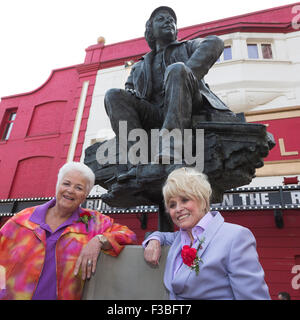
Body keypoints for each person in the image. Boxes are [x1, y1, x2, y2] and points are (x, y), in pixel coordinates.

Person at [104, 6, 237, 181]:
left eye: (171, 20)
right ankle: (138, 163)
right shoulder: (138, 67)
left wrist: (184, 76)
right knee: (113, 94)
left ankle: (170, 149)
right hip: (155, 113)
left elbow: (215, 43)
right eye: (161, 19)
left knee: (177, 69)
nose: (168, 21)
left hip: (189, 105)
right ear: (150, 29)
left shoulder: (187, 46)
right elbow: (128, 93)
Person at [0, 162, 136, 300]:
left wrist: (99, 240)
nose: (70, 190)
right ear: (58, 185)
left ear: (85, 195)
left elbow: (129, 235)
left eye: (79, 187)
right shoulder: (23, 219)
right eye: (66, 184)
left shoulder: (93, 222)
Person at [143, 167, 270, 300]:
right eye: (172, 205)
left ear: (202, 200)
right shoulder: (179, 238)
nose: (178, 209)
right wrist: (154, 240)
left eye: (185, 200)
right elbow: (163, 236)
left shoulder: (235, 237)